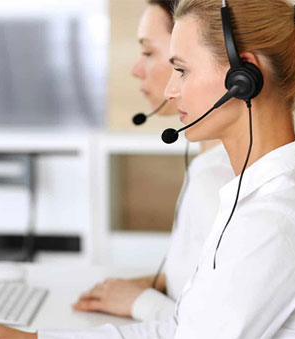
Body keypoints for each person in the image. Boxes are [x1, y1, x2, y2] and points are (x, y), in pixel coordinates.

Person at [0, 0, 295, 337]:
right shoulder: (255, 199)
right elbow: (182, 329)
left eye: (182, 69)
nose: (169, 89)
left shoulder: (273, 221)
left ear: (243, 77)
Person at [72, 0, 233, 322]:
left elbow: (218, 328)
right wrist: (150, 285)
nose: (136, 69)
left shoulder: (222, 184)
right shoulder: (209, 167)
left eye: (149, 52)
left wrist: (140, 301)